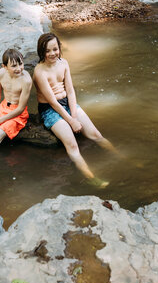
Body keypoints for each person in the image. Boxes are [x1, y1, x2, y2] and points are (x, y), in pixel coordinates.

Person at [33, 33, 119, 188]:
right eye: (47, 51)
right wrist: (71, 121)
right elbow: (52, 101)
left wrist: (74, 115)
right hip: (50, 109)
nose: (52, 53)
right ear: (41, 52)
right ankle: (91, 178)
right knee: (72, 146)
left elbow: (71, 91)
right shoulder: (40, 72)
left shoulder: (64, 63)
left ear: (59, 48)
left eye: (55, 49)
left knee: (96, 135)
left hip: (67, 103)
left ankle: (120, 158)